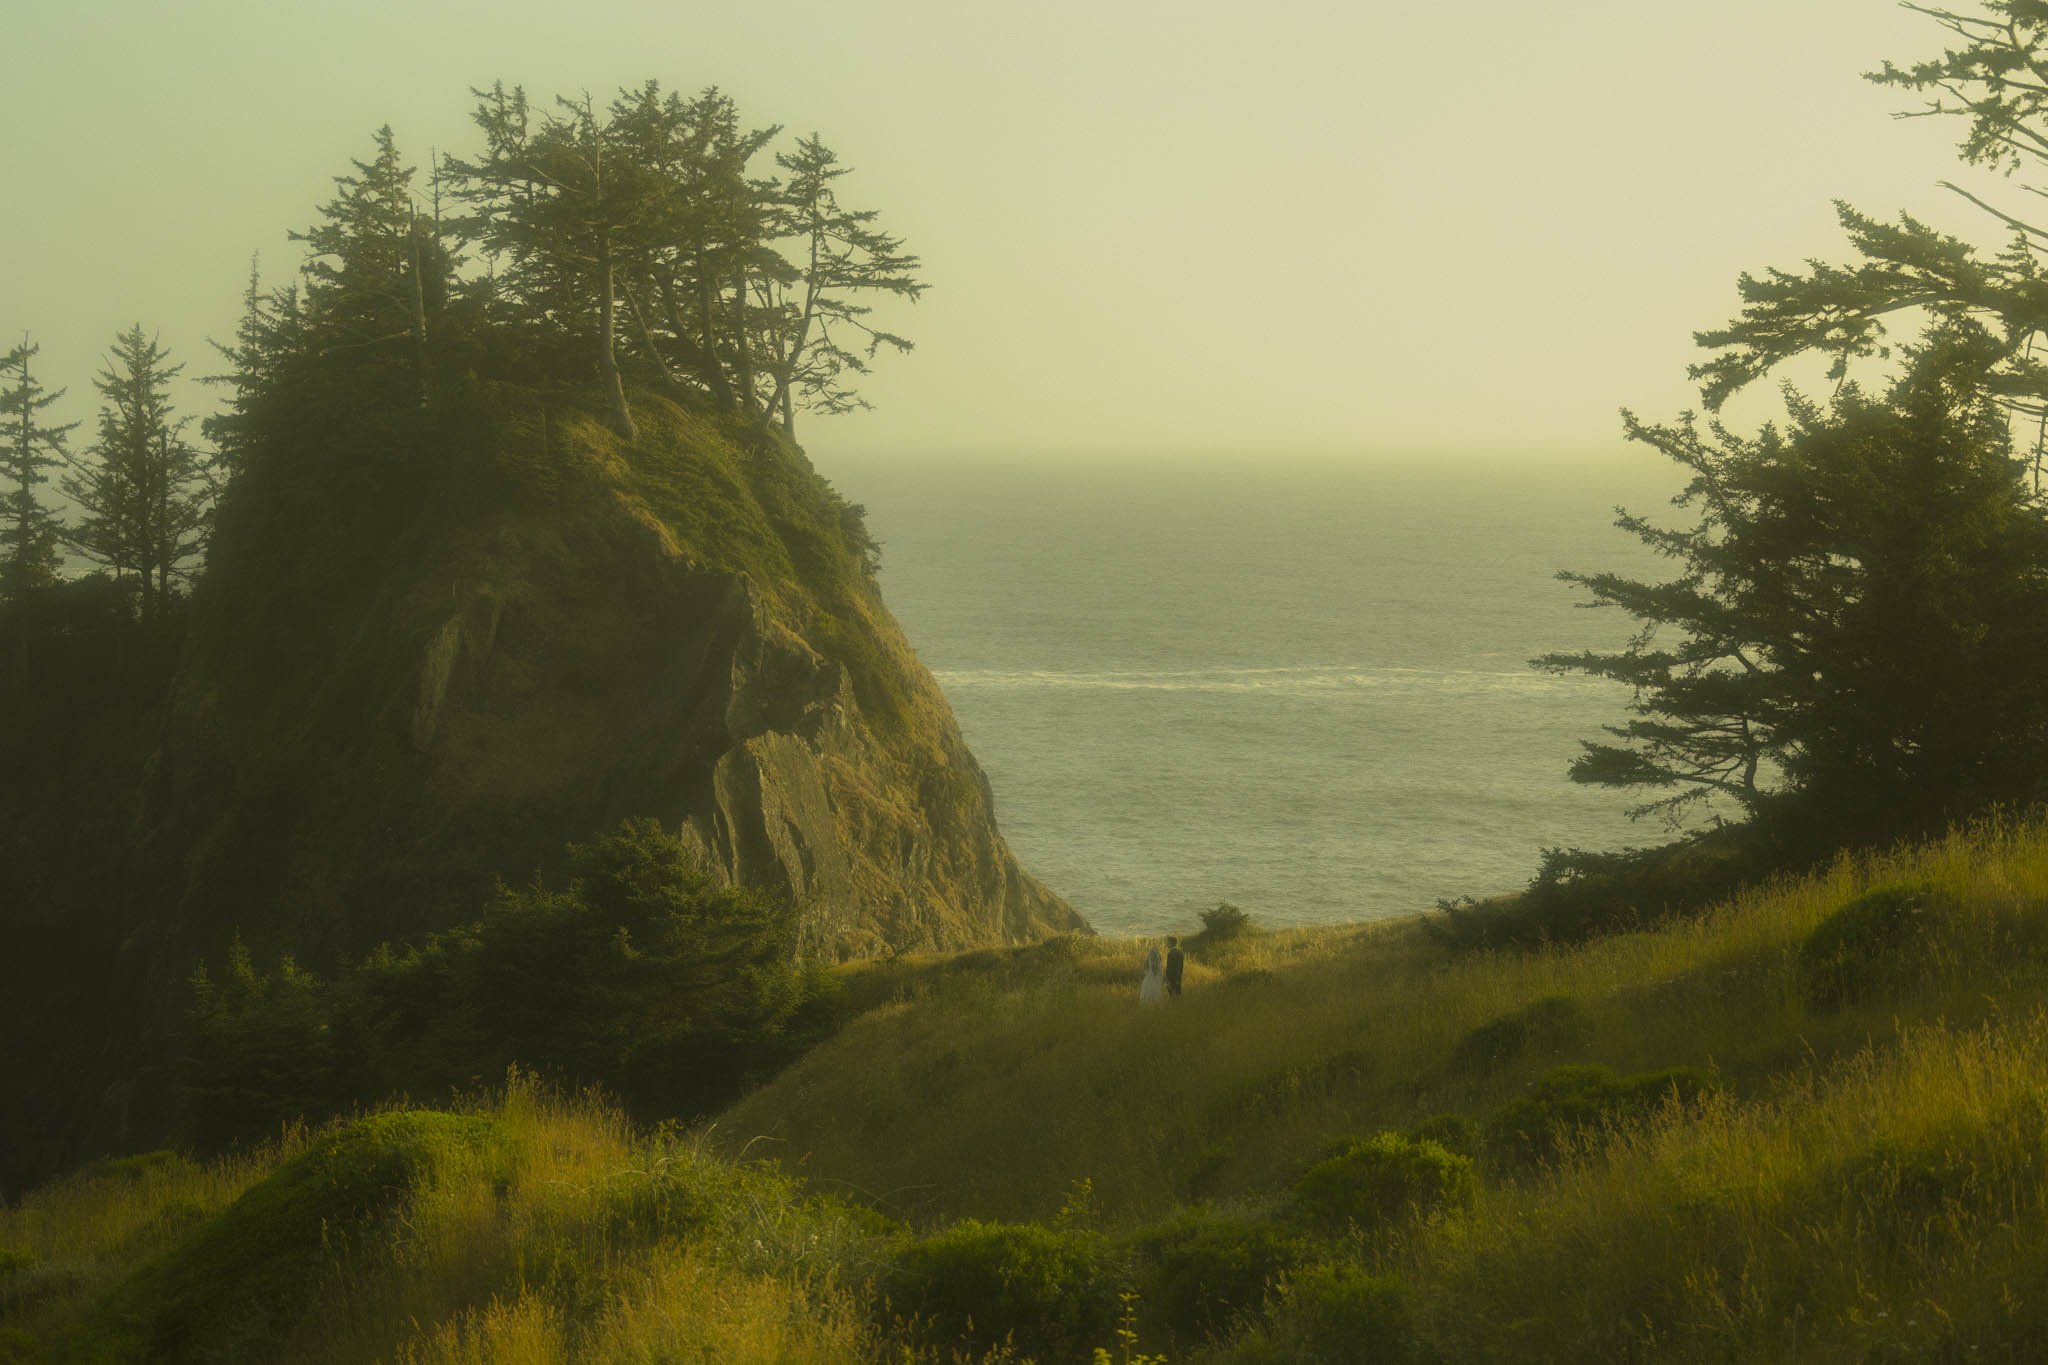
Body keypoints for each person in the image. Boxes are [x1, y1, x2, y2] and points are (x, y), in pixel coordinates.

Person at [1165, 935, 1184, 999]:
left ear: (1171, 943)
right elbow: (1181, 966)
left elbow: (1170, 967)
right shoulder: (1180, 952)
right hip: (1178, 977)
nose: (1166, 943)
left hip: (1171, 977)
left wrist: (1168, 978)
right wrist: (1179, 976)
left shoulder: (1171, 953)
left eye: (1167, 942)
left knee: (1172, 995)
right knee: (1177, 994)